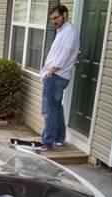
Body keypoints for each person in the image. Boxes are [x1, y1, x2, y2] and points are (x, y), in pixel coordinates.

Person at [40, 5, 79, 151]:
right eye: (52, 19)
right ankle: (59, 138)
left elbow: (65, 53)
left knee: (48, 109)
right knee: (56, 108)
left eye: (56, 17)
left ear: (65, 15)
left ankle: (47, 142)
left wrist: (52, 70)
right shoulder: (63, 31)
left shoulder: (69, 31)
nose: (54, 21)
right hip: (57, 75)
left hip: (56, 75)